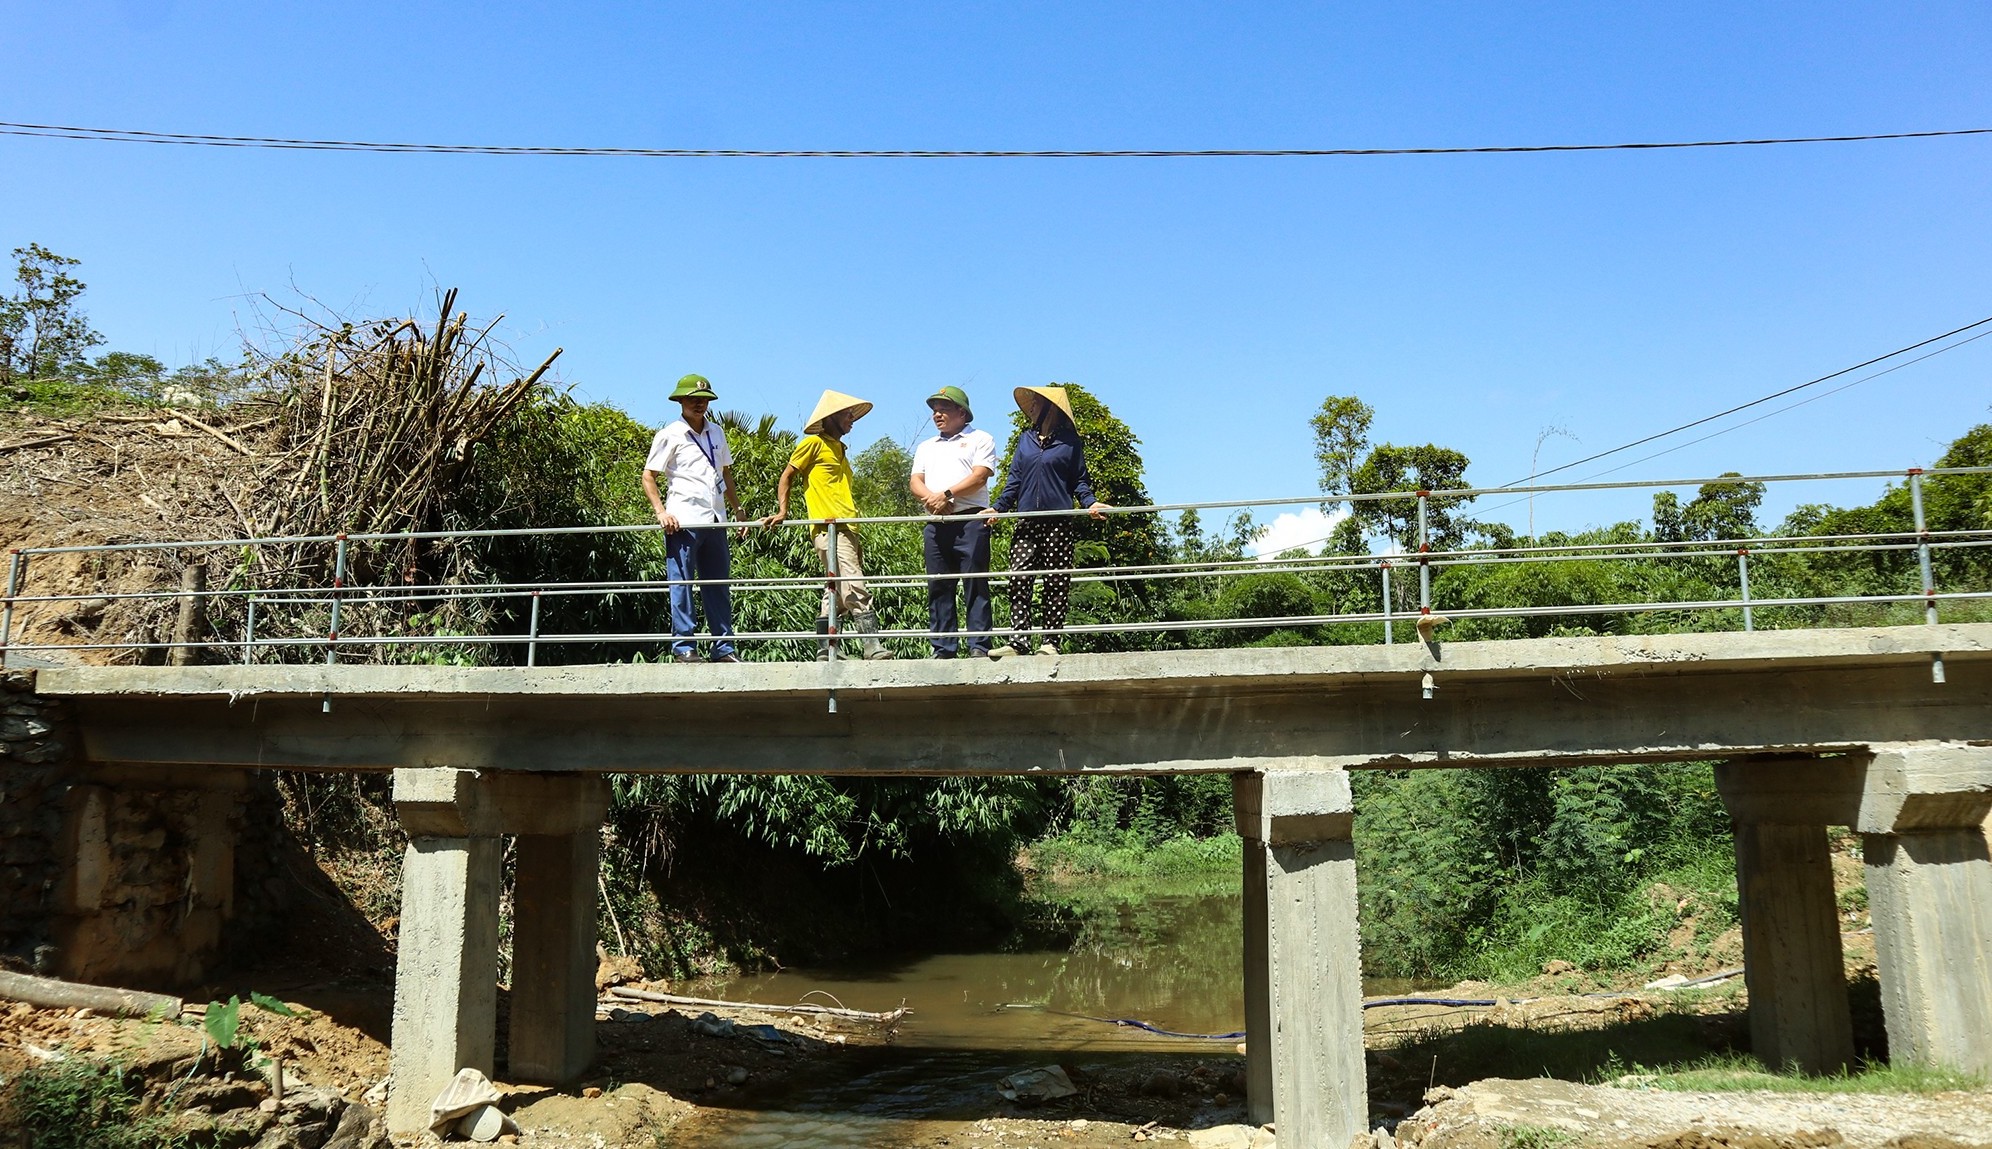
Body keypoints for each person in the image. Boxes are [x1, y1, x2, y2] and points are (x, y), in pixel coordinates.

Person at [761, 389, 895, 660]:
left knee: (833, 587)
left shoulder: (841, 449)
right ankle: (871, 645)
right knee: (855, 583)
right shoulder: (813, 443)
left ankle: (827, 647)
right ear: (831, 417)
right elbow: (787, 476)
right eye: (847, 414)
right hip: (829, 527)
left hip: (848, 526)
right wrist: (782, 510)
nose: (852, 420)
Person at [985, 384, 1110, 658]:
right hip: (1027, 520)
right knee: (1018, 578)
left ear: (1049, 408)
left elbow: (1079, 481)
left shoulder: (1070, 442)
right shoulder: (1025, 440)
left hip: (1058, 522)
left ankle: (1050, 642)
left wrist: (1090, 503)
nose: (1030, 408)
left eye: (1036, 404)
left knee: (1056, 581)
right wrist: (998, 508)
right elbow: (1014, 480)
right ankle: (1018, 641)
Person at [642, 374, 747, 663]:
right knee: (682, 583)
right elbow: (648, 475)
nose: (699, 403)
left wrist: (737, 510)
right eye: (693, 399)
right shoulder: (669, 434)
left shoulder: (717, 433)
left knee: (718, 585)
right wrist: (662, 513)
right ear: (680, 401)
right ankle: (684, 647)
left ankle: (724, 648)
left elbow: (725, 474)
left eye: (704, 399)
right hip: (684, 519)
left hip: (715, 518)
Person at [909, 386, 998, 658]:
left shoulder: (980, 439)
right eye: (935, 410)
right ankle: (943, 648)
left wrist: (947, 494)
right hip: (937, 522)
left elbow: (980, 475)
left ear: (962, 412)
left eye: (944, 409)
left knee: (975, 583)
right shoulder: (926, 446)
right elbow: (915, 481)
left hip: (970, 520)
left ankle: (978, 645)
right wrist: (934, 500)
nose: (937, 414)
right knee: (938, 585)